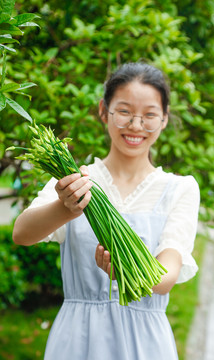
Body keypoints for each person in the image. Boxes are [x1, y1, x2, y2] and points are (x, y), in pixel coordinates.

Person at [12, 62, 200, 360]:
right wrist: (66, 208)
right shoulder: (75, 181)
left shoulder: (179, 189)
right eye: (124, 111)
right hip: (78, 338)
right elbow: (21, 233)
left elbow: (166, 277)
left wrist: (126, 269)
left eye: (149, 115)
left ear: (164, 119)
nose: (136, 126)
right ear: (104, 111)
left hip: (147, 343)